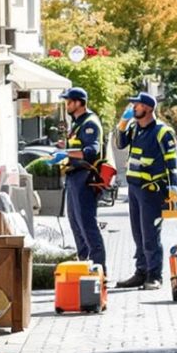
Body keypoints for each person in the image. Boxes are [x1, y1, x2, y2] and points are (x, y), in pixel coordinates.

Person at [114, 92, 177, 288]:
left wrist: (174, 189)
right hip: (134, 188)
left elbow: (171, 163)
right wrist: (122, 124)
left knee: (150, 234)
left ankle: (154, 275)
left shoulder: (162, 131)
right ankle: (141, 272)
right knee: (138, 234)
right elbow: (120, 143)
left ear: (149, 108)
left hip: (152, 190)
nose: (133, 108)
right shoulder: (134, 128)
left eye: (137, 105)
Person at [58, 86, 107, 272]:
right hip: (74, 177)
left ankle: (98, 269)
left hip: (85, 178)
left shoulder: (90, 123)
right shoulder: (78, 123)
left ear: (79, 103)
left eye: (69, 102)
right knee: (75, 223)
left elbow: (90, 151)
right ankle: (84, 262)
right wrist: (64, 148)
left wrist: (66, 151)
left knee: (87, 225)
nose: (67, 105)